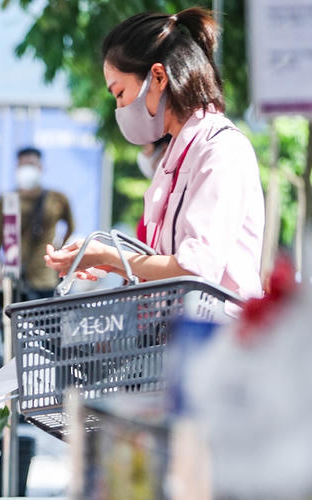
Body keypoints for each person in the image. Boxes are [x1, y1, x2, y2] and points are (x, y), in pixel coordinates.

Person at [45, 8, 264, 299]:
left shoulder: (221, 148)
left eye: (120, 93)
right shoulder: (177, 154)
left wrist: (110, 257)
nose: (119, 108)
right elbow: (167, 267)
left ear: (158, 77)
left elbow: (197, 268)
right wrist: (105, 262)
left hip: (223, 337)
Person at [0, 147, 75, 302]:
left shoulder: (56, 198)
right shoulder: (8, 200)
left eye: (32, 165)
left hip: (46, 277)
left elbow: (71, 226)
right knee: (14, 324)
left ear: (41, 167)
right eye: (23, 165)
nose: (27, 170)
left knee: (48, 323)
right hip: (15, 277)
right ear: (17, 168)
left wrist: (59, 253)